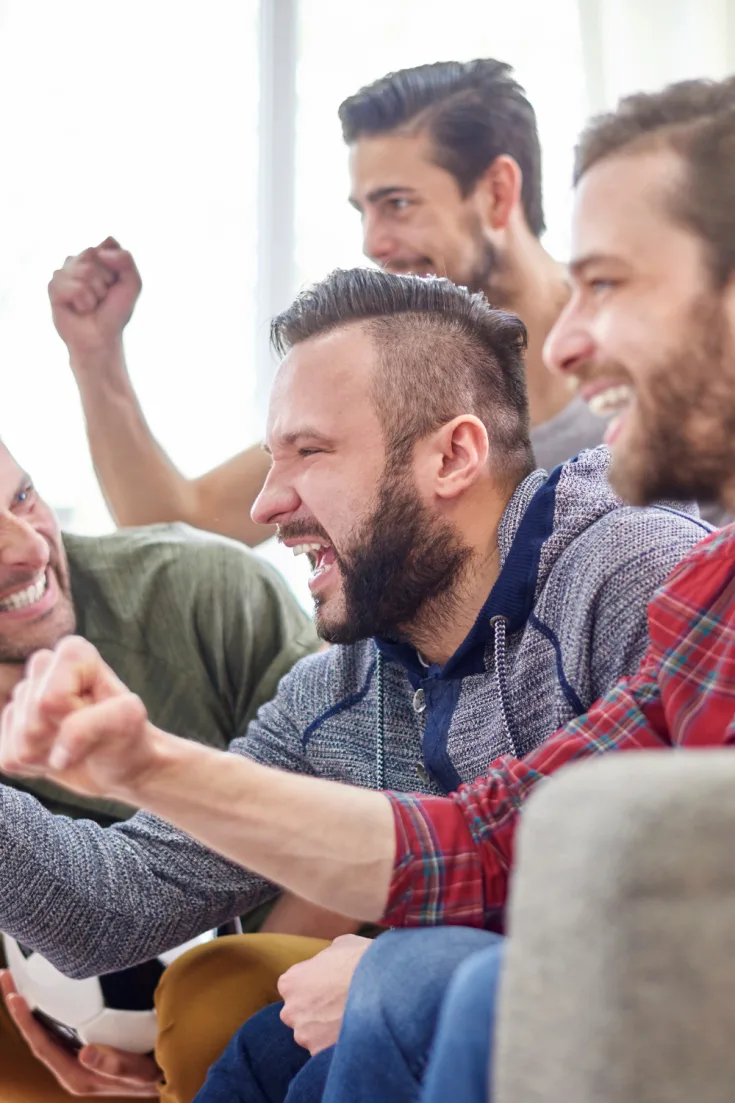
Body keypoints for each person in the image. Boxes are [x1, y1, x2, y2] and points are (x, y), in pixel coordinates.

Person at [0, 268, 708, 1103]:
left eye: (308, 452)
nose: (265, 503)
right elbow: (115, 905)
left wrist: (394, 965)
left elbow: (683, 907)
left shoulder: (637, 576)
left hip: (655, 1021)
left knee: (400, 984)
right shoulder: (338, 689)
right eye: (272, 459)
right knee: (270, 1056)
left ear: (452, 455)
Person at [188, 74, 735, 1103]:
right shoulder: (708, 599)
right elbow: (489, 842)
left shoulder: (630, 559)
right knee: (289, 1049)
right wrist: (136, 760)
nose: (567, 343)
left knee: (436, 986)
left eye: (608, 284)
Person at [53, 60, 627, 549]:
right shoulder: (382, 365)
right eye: (363, 211)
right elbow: (183, 530)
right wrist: (95, 354)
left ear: (498, 192)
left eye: (398, 204)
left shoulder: (636, 348)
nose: (372, 244)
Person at [0, 438, 321, 1103]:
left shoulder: (205, 590)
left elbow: (360, 812)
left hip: (305, 949)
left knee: (209, 1006)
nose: (28, 547)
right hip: (62, 1014)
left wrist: (202, 1037)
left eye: (22, 498)